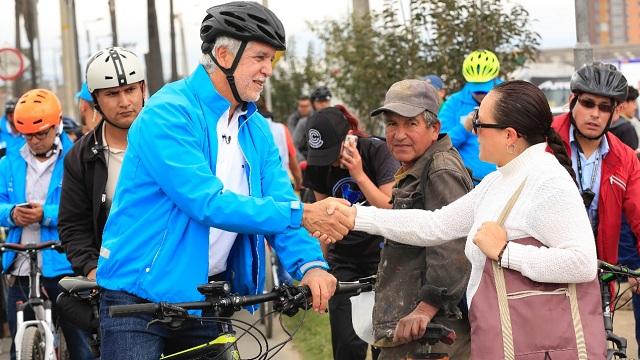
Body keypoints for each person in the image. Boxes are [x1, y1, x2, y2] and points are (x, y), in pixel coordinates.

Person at [95, 3, 337, 359]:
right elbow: (205, 202)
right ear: (223, 54)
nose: (267, 70)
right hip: (137, 295)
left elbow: (278, 196)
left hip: (205, 296)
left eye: (273, 59)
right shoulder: (169, 112)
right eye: (259, 57)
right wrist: (301, 213)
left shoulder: (255, 127)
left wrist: (310, 264)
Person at [308, 80, 605, 357]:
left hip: (539, 344)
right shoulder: (498, 180)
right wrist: (354, 215)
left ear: (510, 136)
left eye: (479, 123)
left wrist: (506, 252)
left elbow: (582, 262)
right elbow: (434, 225)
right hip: (507, 338)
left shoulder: (547, 180)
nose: (472, 131)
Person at [368, 79, 472, 359]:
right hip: (410, 328)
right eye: (392, 124)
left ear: (434, 128)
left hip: (431, 332)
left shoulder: (440, 170)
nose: (398, 134)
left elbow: (453, 243)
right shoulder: (415, 166)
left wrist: (426, 308)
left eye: (411, 124)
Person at [0, 89, 91, 360]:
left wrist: (46, 215)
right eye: (28, 135)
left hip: (63, 263)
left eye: (41, 134)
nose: (35, 141)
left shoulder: (77, 158)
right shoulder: (7, 162)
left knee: (82, 346)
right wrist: (12, 213)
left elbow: (85, 207)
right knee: (20, 348)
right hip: (20, 264)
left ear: (58, 124)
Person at [304, 105, 399, 360]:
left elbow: (390, 207)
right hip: (344, 261)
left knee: (385, 344)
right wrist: (320, 268)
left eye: (332, 154)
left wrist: (358, 175)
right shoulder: (317, 166)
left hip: (383, 259)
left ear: (350, 137)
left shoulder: (376, 151)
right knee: (347, 344)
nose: (330, 162)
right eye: (322, 156)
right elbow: (321, 220)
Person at [59, 46, 146, 281]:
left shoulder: (175, 139)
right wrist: (91, 269)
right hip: (117, 281)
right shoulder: (80, 157)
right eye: (112, 94)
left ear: (142, 89)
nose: (125, 101)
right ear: (95, 99)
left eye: (130, 90)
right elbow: (73, 225)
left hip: (176, 276)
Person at [438, 50, 502, 180]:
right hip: (467, 182)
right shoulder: (453, 103)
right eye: (476, 88)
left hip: (504, 179)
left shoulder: (509, 99)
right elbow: (439, 145)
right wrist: (464, 128)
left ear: (494, 81)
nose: (480, 94)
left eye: (484, 89)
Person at [619, 85, 640, 151]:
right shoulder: (627, 128)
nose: (636, 107)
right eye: (633, 102)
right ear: (624, 103)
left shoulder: (610, 123)